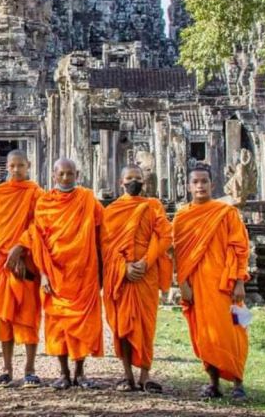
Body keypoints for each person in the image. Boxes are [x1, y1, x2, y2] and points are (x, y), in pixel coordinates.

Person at [7, 158, 103, 390]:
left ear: (77, 174)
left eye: (70, 174)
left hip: (83, 270)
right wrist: (42, 273)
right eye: (61, 174)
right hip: (54, 271)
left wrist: (103, 268)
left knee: (83, 323)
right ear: (53, 175)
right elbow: (38, 238)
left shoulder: (88, 200)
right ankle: (63, 373)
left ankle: (80, 373)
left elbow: (102, 232)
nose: (66, 178)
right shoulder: (45, 202)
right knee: (57, 324)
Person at [172, 163, 250, 400]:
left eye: (204, 181)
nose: (200, 186)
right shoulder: (182, 217)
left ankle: (238, 383)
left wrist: (239, 282)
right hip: (198, 286)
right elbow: (178, 255)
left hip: (226, 285)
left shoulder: (226, 213)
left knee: (235, 331)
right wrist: (182, 285)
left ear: (211, 184)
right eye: (195, 182)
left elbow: (240, 248)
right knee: (205, 335)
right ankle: (214, 383)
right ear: (188, 186)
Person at [102, 166, 172, 393]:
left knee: (145, 325)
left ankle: (145, 375)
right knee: (122, 326)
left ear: (144, 182)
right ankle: (127, 375)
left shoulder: (153, 206)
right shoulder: (111, 211)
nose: (134, 182)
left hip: (146, 274)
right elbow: (106, 246)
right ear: (121, 182)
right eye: (129, 178)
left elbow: (164, 237)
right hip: (121, 275)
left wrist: (146, 262)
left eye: (138, 178)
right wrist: (124, 267)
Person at [0, 149, 43, 387]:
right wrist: (10, 253)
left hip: (27, 262)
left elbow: (39, 225)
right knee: (5, 318)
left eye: (21, 165)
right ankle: (7, 368)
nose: (16, 170)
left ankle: (30, 368)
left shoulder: (36, 193)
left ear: (28, 165)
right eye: (12, 166)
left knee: (29, 317)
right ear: (6, 167)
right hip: (3, 264)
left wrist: (21, 248)